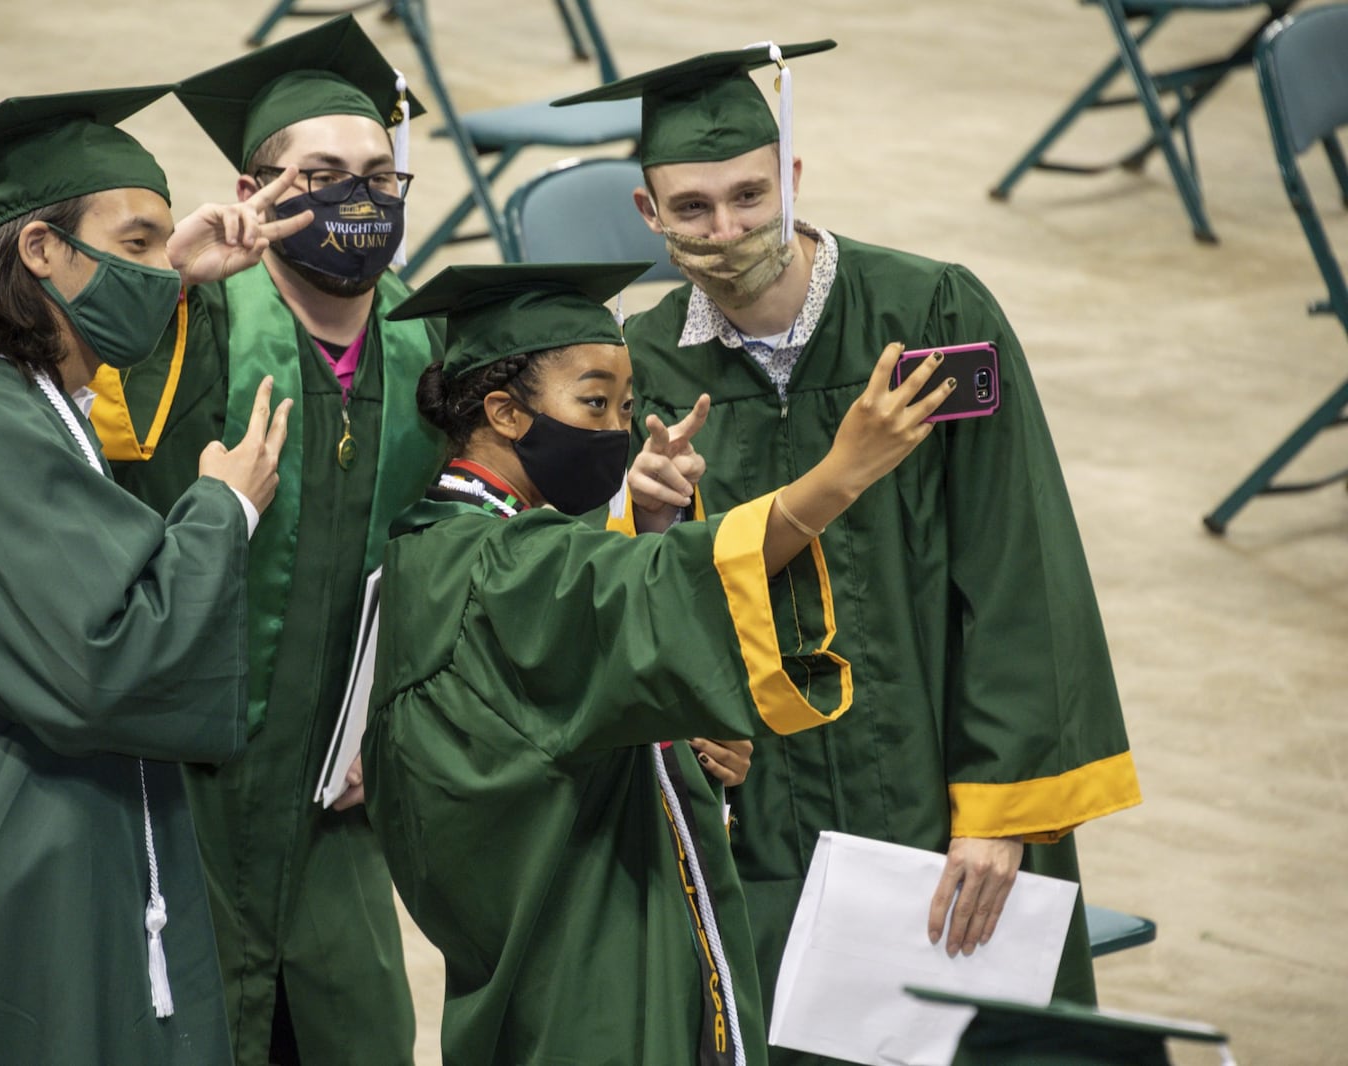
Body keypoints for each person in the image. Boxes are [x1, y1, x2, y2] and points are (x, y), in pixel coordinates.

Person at [556, 42, 1144, 1063]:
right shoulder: (637, 369)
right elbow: (609, 611)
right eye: (691, 209)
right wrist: (637, 523)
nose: (727, 229)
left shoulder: (927, 317)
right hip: (766, 822)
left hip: (945, 793)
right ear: (647, 215)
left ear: (790, 178)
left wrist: (1002, 811)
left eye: (748, 195)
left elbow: (1019, 566)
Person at [0, 87, 311, 1066]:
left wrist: (167, 271)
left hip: (36, 834)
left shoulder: (27, 403)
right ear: (42, 251)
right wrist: (225, 508)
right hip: (3, 867)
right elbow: (108, 658)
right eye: (133, 244)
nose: (151, 268)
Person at [362, 261, 956, 1065]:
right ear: (503, 412)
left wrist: (675, 750)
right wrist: (840, 472)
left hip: (567, 945)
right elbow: (647, 590)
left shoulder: (438, 543)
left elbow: (557, 696)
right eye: (594, 402)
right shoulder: (492, 567)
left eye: (628, 405)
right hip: (586, 964)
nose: (617, 430)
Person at [88, 18, 440, 1065]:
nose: (358, 199)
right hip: (187, 772)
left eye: (380, 174)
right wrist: (177, 286)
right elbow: (90, 459)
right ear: (255, 188)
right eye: (322, 175)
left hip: (342, 785)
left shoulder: (430, 346)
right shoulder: (190, 325)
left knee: (355, 1027)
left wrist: (403, 709)